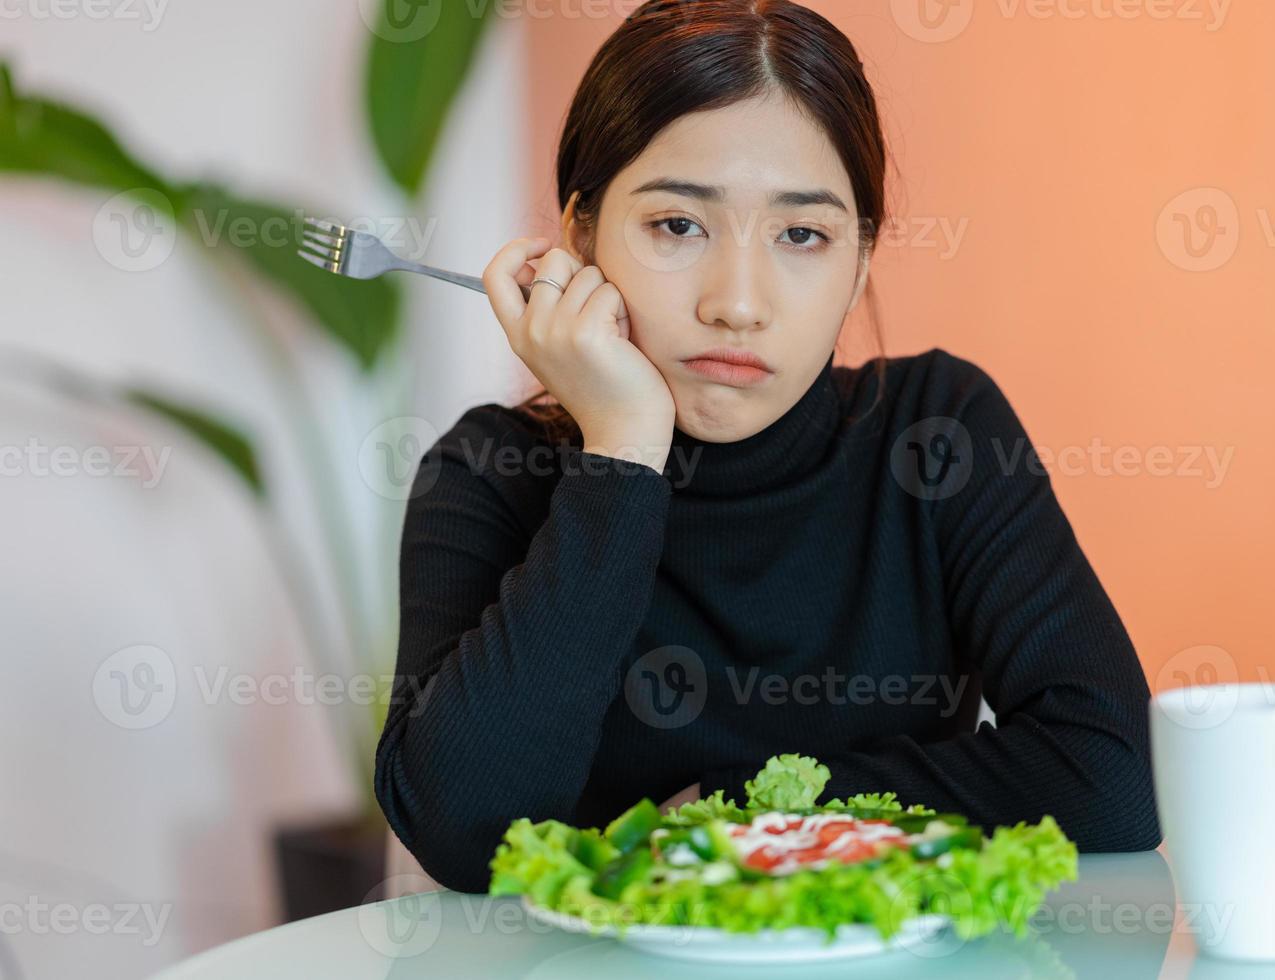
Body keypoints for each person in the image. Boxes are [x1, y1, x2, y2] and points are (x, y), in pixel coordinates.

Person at [375, 0, 1161, 894]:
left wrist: (748, 811)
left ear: (860, 262)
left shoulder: (939, 431)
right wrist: (624, 454)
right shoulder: (489, 473)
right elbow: (469, 836)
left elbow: (1116, 777)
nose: (738, 303)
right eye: (678, 225)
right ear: (582, 236)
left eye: (802, 235)